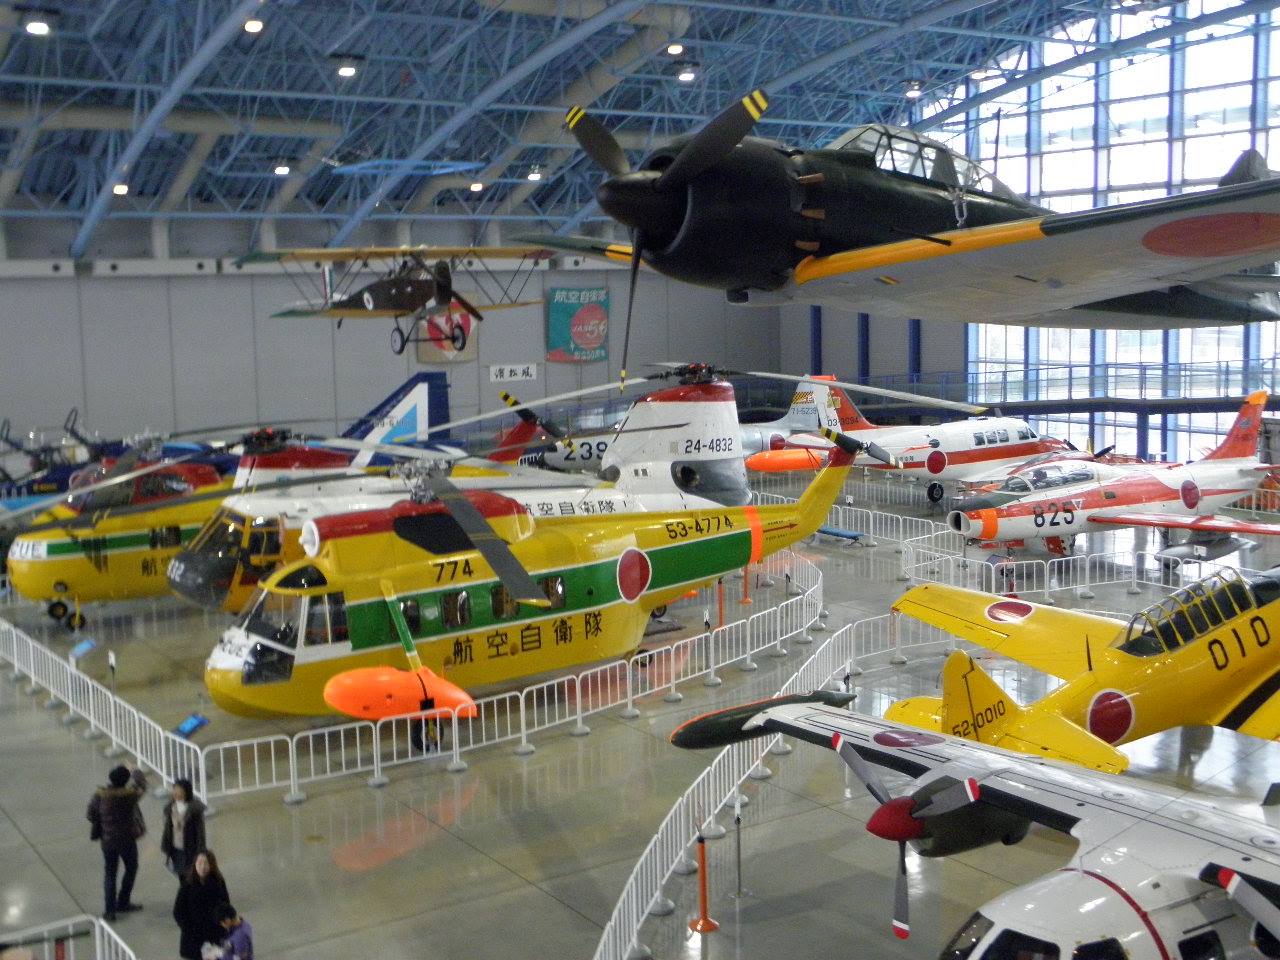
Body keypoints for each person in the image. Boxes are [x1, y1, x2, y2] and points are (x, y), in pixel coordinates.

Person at [86, 763, 147, 921]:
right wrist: (135, 771)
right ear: (126, 780)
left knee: (110, 874)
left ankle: (110, 911)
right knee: (131, 868)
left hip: (108, 841)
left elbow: (90, 814)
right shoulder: (130, 795)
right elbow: (142, 786)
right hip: (127, 840)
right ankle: (123, 901)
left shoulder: (100, 795)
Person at [172, 851, 230, 960]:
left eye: (206, 863)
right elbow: (178, 911)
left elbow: (225, 906)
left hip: (214, 935)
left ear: (211, 865)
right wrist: (189, 929)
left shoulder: (218, 882)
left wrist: (222, 925)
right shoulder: (187, 885)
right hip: (193, 937)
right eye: (199, 863)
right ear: (195, 864)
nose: (202, 867)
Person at [160, 778, 207, 878]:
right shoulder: (171, 808)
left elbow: (200, 832)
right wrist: (166, 845)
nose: (175, 794)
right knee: (180, 875)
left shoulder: (194, 810)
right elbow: (168, 829)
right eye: (174, 790)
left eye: (179, 791)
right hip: (176, 849)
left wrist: (201, 851)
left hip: (190, 850)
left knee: (191, 876)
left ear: (186, 792)